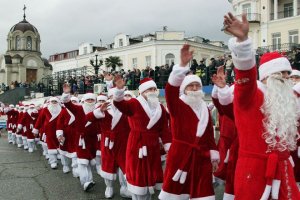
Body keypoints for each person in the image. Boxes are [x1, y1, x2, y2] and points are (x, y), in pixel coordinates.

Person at [222, 12, 300, 199]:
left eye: (287, 74)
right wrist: (243, 44)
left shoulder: (287, 100)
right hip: (254, 171)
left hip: (283, 168)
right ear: (265, 75)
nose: (285, 78)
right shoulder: (250, 95)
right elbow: (245, 76)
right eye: (279, 73)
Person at [158, 45, 219, 200]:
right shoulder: (177, 104)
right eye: (190, 86)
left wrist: (213, 156)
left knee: (201, 193)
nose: (194, 88)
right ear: (184, 89)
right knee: (177, 192)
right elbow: (170, 90)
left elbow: (209, 136)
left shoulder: (204, 108)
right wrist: (181, 67)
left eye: (197, 85)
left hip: (202, 156)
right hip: (180, 154)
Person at [113, 77, 172, 200]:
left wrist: (168, 146)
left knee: (150, 175)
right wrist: (119, 90)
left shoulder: (160, 107)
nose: (152, 91)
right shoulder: (134, 103)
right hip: (137, 144)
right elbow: (120, 104)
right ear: (143, 91)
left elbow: (164, 129)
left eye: (154, 89)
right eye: (149, 89)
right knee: (137, 176)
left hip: (153, 145)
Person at [86, 88, 131, 198]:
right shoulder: (103, 107)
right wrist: (99, 111)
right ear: (109, 97)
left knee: (124, 166)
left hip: (124, 141)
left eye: (116, 97)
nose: (114, 99)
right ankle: (109, 187)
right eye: (111, 97)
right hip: (107, 142)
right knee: (108, 165)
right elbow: (88, 118)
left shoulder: (127, 108)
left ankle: (124, 188)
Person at [61, 87, 99, 192]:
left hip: (93, 140)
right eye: (88, 100)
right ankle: (85, 182)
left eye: (92, 100)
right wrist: (66, 93)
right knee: (82, 162)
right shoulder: (78, 109)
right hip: (81, 140)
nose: (90, 102)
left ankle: (89, 180)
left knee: (90, 162)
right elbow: (67, 104)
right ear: (84, 100)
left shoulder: (97, 110)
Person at [33, 97, 62, 169]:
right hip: (49, 132)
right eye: (53, 102)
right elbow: (39, 120)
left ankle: (60, 158)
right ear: (50, 102)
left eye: (55, 102)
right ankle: (53, 162)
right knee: (51, 147)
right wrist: (36, 129)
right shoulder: (45, 110)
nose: (54, 103)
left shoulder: (62, 110)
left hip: (60, 132)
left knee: (60, 145)